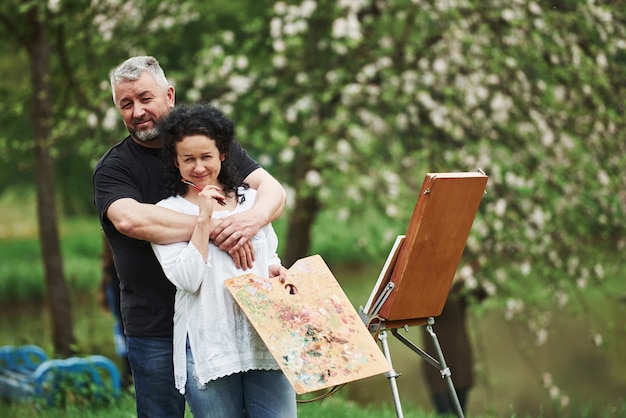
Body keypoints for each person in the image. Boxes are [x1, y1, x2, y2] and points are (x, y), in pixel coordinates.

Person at [93, 56, 287, 418]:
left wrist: (250, 221)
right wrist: (216, 226)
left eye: (145, 98)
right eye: (126, 104)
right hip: (155, 325)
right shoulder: (115, 167)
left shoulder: (205, 147)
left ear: (169, 94)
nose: (137, 111)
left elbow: (272, 191)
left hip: (227, 320)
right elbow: (131, 220)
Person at [151, 103, 296, 418]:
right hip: (210, 346)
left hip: (264, 338)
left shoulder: (252, 201)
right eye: (188, 159)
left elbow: (268, 256)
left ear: (223, 155)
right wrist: (203, 219)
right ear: (175, 162)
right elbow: (187, 280)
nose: (199, 167)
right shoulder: (168, 211)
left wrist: (275, 270)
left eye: (206, 157)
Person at [421, 279, 488, 416]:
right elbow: (437, 305)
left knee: (460, 413)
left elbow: (482, 294)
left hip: (460, 362)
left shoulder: (461, 291)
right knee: (444, 412)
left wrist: (477, 275)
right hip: (436, 362)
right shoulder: (425, 288)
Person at [98, 235, 132, 389]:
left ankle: (127, 379)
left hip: (123, 322)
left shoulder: (111, 263)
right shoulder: (117, 265)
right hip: (126, 321)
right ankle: (127, 380)